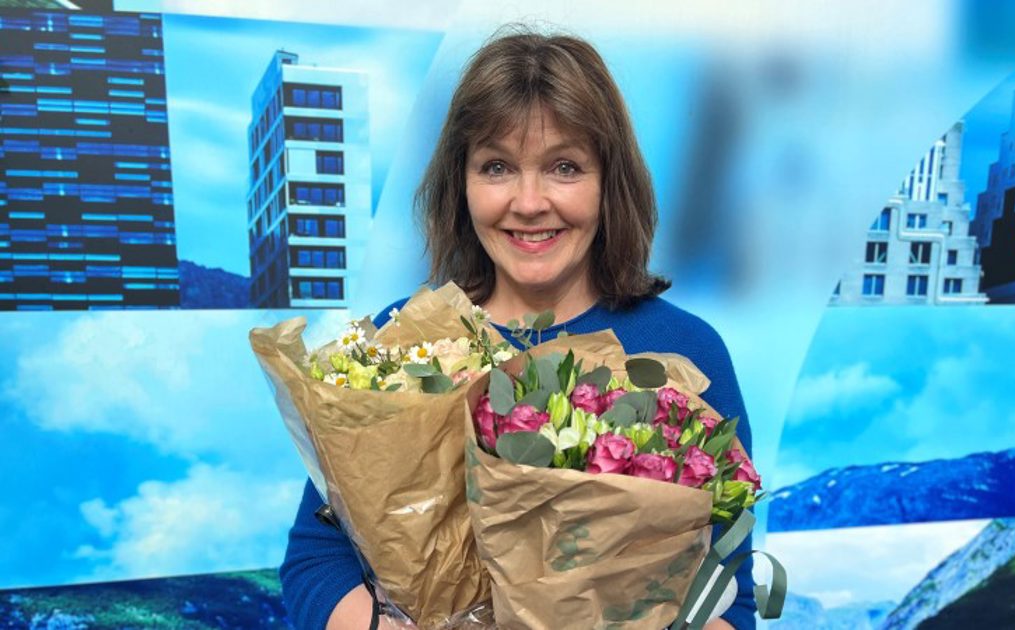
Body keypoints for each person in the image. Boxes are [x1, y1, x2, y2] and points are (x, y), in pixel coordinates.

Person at [279, 28, 757, 630]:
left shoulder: (687, 352)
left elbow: (728, 596)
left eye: (564, 167)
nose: (529, 202)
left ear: (609, 182)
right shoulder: (402, 345)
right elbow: (316, 563)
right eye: (497, 166)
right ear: (462, 183)